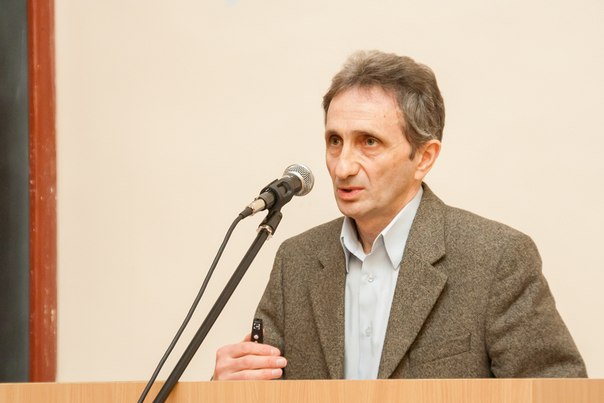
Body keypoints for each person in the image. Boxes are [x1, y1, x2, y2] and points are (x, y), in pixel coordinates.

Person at [213, 50, 587, 380]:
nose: (343, 167)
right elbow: (262, 387)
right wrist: (226, 390)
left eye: (369, 142)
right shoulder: (296, 261)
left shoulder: (497, 258)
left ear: (424, 157)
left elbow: (556, 390)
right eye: (335, 141)